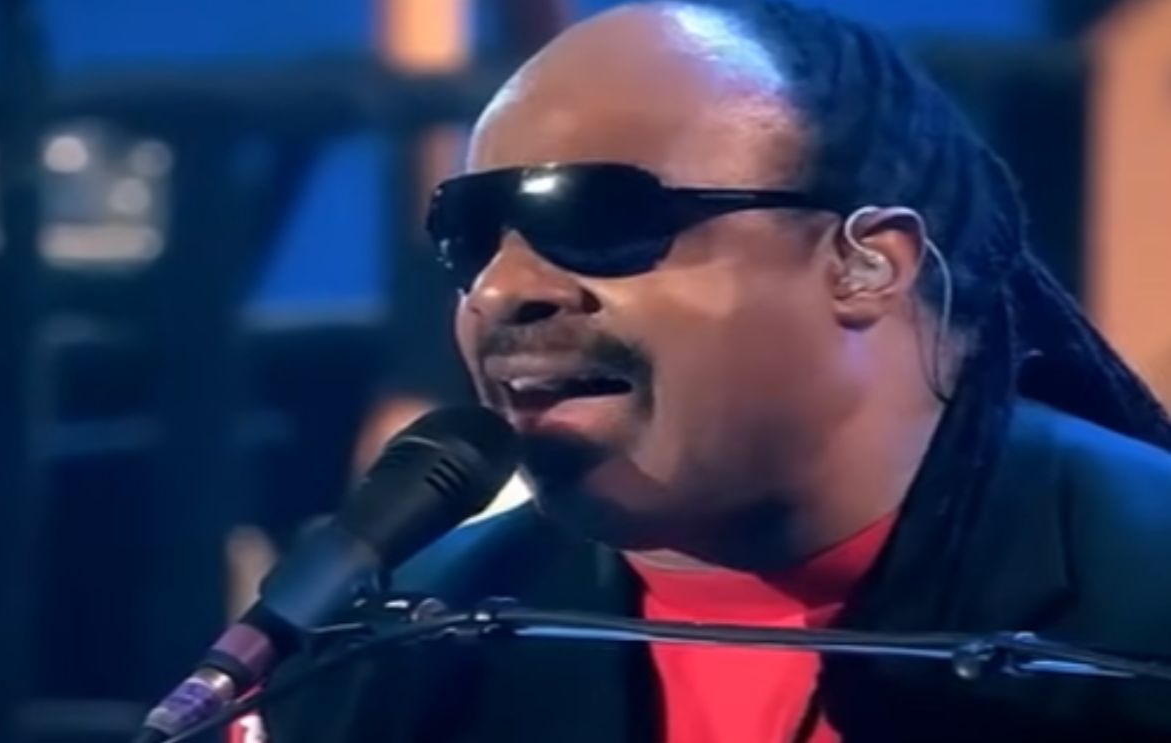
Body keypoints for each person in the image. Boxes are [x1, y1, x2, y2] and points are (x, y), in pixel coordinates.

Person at [258, 1, 1171, 741]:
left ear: (865, 265)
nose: (502, 290)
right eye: (470, 238)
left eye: (600, 219)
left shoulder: (1140, 604)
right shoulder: (405, 645)